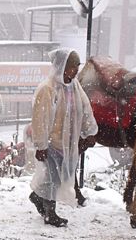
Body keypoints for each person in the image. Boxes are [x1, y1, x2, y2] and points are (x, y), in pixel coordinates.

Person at [27, 49, 99, 227]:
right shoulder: (47, 89)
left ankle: (37, 196)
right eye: (73, 66)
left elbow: (85, 109)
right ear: (62, 67)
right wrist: (41, 145)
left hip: (67, 142)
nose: (76, 71)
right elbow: (40, 120)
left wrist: (90, 131)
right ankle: (50, 214)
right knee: (53, 177)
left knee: (58, 177)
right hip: (51, 142)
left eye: (77, 66)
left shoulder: (74, 87)